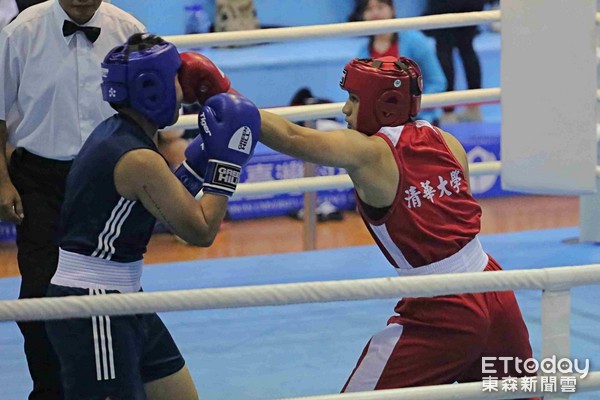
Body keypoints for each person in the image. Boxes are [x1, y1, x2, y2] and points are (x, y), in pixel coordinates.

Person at [198, 55, 537, 394]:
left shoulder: (370, 153)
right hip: (494, 286)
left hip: (441, 309)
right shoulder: (447, 141)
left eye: (354, 99)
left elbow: (293, 137)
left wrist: (223, 93)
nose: (345, 110)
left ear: (384, 103)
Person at [45, 33, 260, 400]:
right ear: (152, 87)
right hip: (94, 304)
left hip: (125, 296)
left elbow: (151, 204)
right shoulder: (138, 159)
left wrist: (198, 161)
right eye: (177, 79)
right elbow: (201, 230)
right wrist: (225, 165)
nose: (185, 88)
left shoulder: (120, 134)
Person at [0, 1, 145, 398]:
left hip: (109, 181)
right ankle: (49, 391)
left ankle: (117, 388)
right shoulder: (21, 31)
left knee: (116, 291)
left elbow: (148, 110)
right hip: (40, 182)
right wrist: (1, 182)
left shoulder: (129, 30)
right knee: (38, 297)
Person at [350, 0, 446, 125]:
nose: (375, 13)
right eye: (369, 9)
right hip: (379, 123)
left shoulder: (415, 41)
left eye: (380, 7)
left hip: (418, 120)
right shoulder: (363, 51)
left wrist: (411, 107)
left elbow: (437, 82)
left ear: (393, 9)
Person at [423, 0, 487, 123]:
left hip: (445, 5)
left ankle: (448, 111)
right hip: (471, 4)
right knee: (467, 47)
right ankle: (474, 107)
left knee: (445, 48)